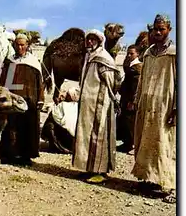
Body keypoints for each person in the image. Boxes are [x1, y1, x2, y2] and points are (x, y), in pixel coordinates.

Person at [131, 14, 176, 204]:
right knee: (145, 142)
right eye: (155, 29)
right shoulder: (149, 53)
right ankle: (148, 179)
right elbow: (142, 80)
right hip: (147, 105)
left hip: (166, 106)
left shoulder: (175, 53)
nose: (158, 32)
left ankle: (170, 185)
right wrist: (137, 99)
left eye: (162, 29)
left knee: (165, 144)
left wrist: (176, 108)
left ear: (169, 30)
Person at [72, 29, 123, 183]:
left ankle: (101, 171)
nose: (89, 42)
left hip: (100, 105)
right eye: (88, 39)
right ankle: (89, 169)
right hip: (87, 105)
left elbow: (114, 81)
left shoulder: (103, 58)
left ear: (99, 41)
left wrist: (109, 99)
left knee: (99, 137)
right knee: (87, 136)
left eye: (93, 40)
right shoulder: (89, 56)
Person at [0, 33, 44, 166]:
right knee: (10, 127)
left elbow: (39, 82)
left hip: (29, 100)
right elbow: (3, 80)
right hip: (12, 99)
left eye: (22, 45)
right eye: (17, 44)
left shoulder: (33, 62)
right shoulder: (9, 61)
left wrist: (40, 99)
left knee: (27, 127)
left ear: (27, 46)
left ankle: (25, 156)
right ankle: (9, 154)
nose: (20, 47)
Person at [116, 45, 142, 154]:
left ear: (138, 54)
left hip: (130, 99)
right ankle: (126, 143)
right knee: (125, 120)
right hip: (125, 98)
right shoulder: (130, 66)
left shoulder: (137, 67)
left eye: (132, 53)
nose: (129, 55)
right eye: (128, 53)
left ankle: (131, 144)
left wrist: (132, 101)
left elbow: (135, 86)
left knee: (130, 121)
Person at [41, 86, 79, 154]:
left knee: (50, 123)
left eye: (67, 94)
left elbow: (54, 118)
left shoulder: (62, 105)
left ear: (70, 96)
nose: (65, 95)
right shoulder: (79, 107)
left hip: (66, 138)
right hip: (76, 142)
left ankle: (56, 147)